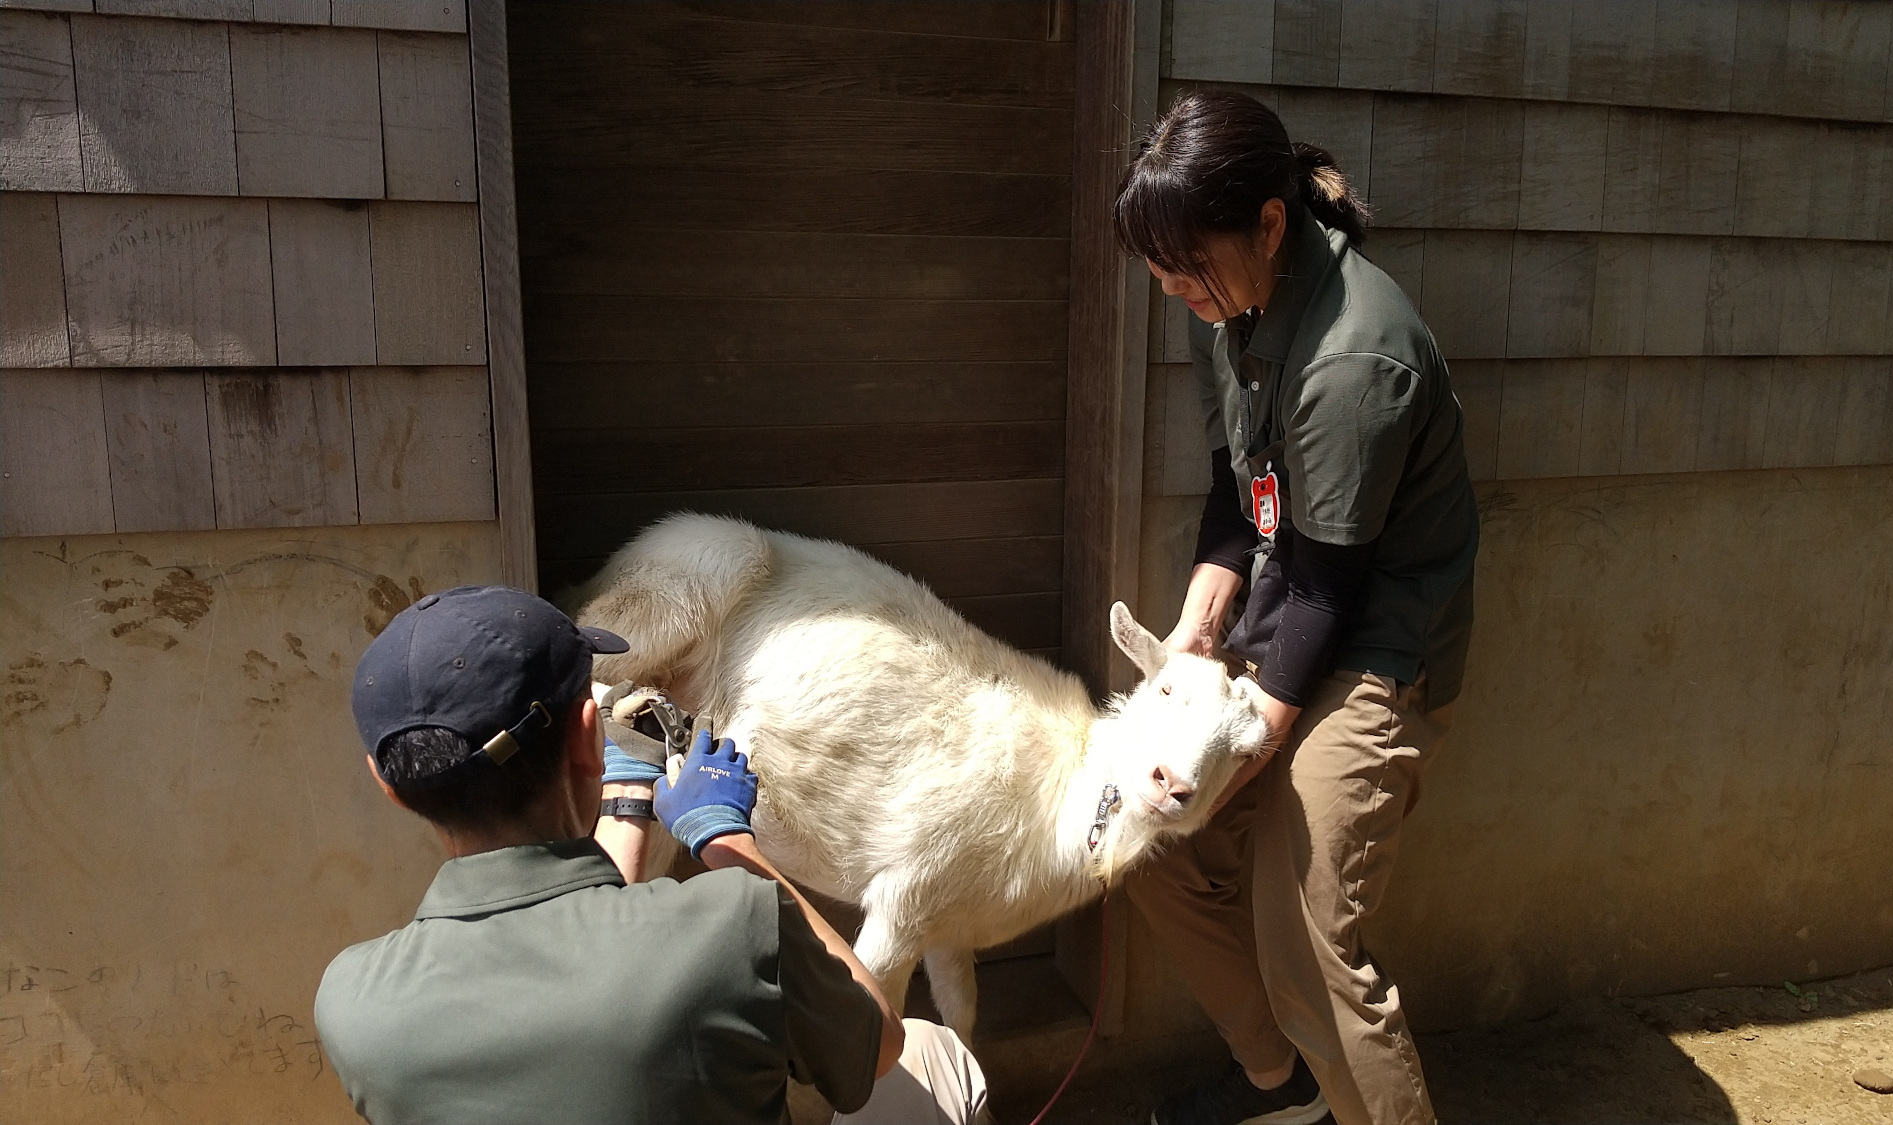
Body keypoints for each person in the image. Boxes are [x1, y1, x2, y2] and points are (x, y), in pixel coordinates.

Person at [1114, 91, 1479, 1125]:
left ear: (1269, 225)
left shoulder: (1356, 356)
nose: (1173, 289)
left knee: (1305, 938)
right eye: (1158, 270)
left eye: (1188, 264)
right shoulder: (1223, 310)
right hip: (1290, 608)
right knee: (1146, 837)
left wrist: (1238, 740)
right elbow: (1237, 497)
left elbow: (1330, 586)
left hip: (1372, 648)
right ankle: (1282, 1090)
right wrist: (1189, 641)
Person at [314, 584, 989, 1124]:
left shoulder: (353, 1003)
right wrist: (728, 843)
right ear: (587, 736)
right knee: (930, 1054)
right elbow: (875, 1043)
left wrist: (628, 795)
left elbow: (581, 941)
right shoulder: (732, 923)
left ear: (390, 787)